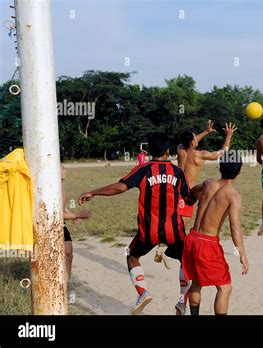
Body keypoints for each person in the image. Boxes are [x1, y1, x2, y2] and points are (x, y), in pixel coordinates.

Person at [78, 133, 190, 315]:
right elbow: (188, 196)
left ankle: (143, 292)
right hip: (174, 230)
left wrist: (94, 192)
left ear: (150, 151)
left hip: (149, 231)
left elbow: (120, 187)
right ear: (168, 151)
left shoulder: (144, 169)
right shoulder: (177, 172)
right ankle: (181, 300)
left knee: (131, 256)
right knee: (186, 261)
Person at [154, 120, 237, 315]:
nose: (196, 139)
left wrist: (205, 132)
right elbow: (221, 153)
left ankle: (164, 246)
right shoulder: (199, 156)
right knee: (183, 242)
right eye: (195, 138)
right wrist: (228, 136)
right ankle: (164, 247)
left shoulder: (180, 150)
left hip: (171, 194)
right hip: (186, 196)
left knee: (180, 234)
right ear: (193, 142)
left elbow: (190, 141)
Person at [182, 152, 249, 315]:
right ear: (239, 172)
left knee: (196, 282)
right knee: (225, 287)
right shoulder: (233, 195)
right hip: (207, 243)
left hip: (191, 239)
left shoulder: (208, 184)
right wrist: (242, 254)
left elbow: (190, 194)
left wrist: (191, 201)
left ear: (220, 167)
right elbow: (235, 228)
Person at [61, 164, 92, 284]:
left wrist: (70, 213)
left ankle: (65, 287)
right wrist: (78, 215)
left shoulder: (61, 187)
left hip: (60, 224)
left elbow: (60, 208)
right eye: (62, 168)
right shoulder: (53, 187)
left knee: (68, 253)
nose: (65, 170)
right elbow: (56, 214)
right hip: (52, 225)